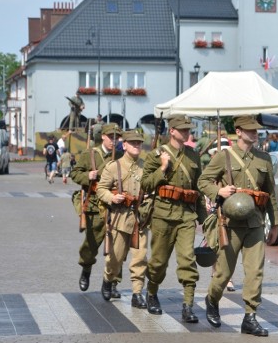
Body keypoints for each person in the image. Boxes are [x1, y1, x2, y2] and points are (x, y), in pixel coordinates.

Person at [198, 115, 278, 336]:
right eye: (250, 130)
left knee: (255, 272)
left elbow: (270, 194)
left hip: (255, 223)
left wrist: (274, 224)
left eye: (256, 130)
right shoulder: (223, 157)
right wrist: (219, 192)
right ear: (239, 131)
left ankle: (250, 317)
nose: (255, 133)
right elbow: (203, 181)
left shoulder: (264, 159)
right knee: (224, 272)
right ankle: (212, 299)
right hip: (230, 224)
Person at [141, 115, 207, 319]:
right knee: (159, 262)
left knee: (187, 259)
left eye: (188, 129)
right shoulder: (156, 155)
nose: (187, 132)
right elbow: (146, 184)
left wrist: (204, 218)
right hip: (162, 215)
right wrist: (162, 168)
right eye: (183, 129)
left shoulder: (193, 156)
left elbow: (198, 188)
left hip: (186, 215)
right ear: (172, 131)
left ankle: (188, 305)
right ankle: (151, 293)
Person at [96, 130, 149, 307]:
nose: (136, 145)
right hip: (119, 217)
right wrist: (112, 198)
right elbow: (101, 189)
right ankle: (108, 278)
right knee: (115, 258)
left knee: (140, 257)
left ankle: (137, 292)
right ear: (124, 145)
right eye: (132, 142)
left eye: (139, 143)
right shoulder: (114, 166)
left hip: (139, 218)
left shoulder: (146, 166)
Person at [71, 123, 123, 293]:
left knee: (117, 247)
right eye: (111, 137)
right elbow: (75, 174)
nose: (113, 141)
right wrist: (88, 175)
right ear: (103, 136)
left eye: (117, 138)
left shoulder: (121, 156)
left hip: (115, 205)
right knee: (91, 244)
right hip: (95, 205)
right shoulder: (90, 154)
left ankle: (112, 281)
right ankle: (86, 269)